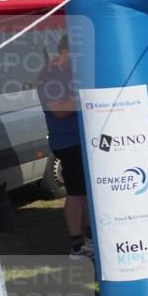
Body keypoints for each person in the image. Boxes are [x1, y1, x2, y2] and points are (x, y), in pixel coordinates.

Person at [36, 36, 91, 260]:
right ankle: (77, 244)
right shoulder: (50, 75)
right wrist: (86, 98)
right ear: (67, 51)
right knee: (76, 192)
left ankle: (88, 237)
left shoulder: (69, 73)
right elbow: (58, 110)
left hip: (81, 139)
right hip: (68, 141)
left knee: (85, 192)